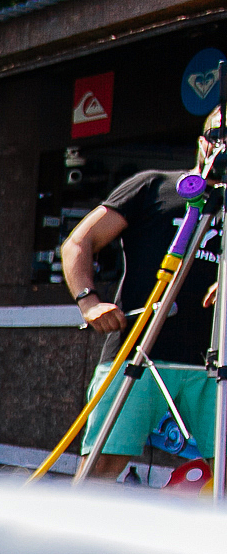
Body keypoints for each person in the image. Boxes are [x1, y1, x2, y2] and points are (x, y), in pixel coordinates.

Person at [61, 106, 224, 481]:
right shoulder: (154, 185)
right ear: (202, 142)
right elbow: (79, 241)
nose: (224, 146)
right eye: (219, 135)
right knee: (101, 466)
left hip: (215, 363)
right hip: (137, 350)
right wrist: (89, 301)